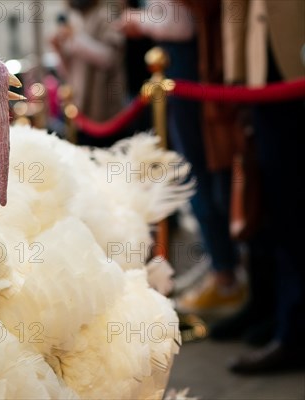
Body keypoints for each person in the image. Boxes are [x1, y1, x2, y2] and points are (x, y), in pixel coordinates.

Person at [118, 0, 245, 312]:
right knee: (198, 172)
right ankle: (222, 270)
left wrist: (139, 20)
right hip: (184, 65)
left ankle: (226, 274)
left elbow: (180, 24)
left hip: (189, 67)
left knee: (200, 172)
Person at [220, 0, 305, 374]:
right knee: (285, 208)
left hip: (294, 56)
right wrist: (238, 74)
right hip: (266, 71)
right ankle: (293, 331)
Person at [50, 0, 128, 147]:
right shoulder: (72, 17)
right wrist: (58, 50)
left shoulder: (106, 13)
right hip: (79, 111)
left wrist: (75, 39)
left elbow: (110, 58)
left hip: (105, 110)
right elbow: (67, 73)